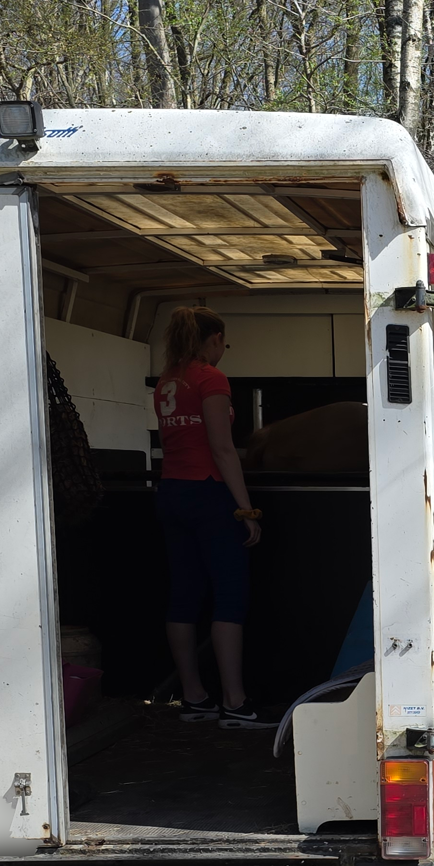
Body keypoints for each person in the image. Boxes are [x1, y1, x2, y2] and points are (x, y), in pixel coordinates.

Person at [154, 305, 268, 729]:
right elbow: (222, 449)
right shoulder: (210, 378)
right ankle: (235, 703)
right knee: (230, 595)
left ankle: (194, 697)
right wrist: (246, 510)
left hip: (172, 491)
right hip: (209, 491)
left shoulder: (167, 379)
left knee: (184, 594)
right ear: (215, 339)